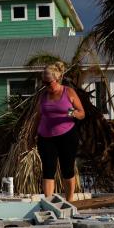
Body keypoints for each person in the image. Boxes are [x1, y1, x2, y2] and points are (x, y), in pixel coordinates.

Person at [36, 61, 85, 202]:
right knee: (48, 170)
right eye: (43, 83)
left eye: (48, 82)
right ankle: (49, 202)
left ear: (57, 79)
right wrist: (33, 134)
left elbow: (82, 113)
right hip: (45, 137)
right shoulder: (43, 96)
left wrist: (74, 113)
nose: (45, 85)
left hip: (67, 135)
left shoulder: (68, 92)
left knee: (67, 168)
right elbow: (38, 116)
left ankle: (70, 200)